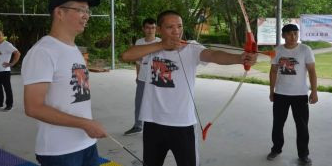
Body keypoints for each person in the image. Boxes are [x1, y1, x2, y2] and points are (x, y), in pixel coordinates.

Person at [121, 10, 257, 166]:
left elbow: (213, 55)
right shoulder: (152, 48)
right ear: (159, 30)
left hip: (182, 124)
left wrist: (239, 58)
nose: (176, 31)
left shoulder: (191, 48)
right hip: (153, 122)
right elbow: (126, 56)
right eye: (170, 27)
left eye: (179, 26)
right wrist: (161, 45)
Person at [21, 0, 107, 166]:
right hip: (59, 151)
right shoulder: (43, 52)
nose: (86, 16)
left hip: (86, 143)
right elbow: (33, 107)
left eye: (87, 11)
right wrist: (85, 124)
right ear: (59, 12)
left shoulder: (74, 49)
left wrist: (86, 126)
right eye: (81, 10)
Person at [267, 24, 318, 165]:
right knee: (277, 124)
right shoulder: (277, 51)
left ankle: (303, 154)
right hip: (281, 94)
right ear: (283, 35)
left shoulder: (305, 50)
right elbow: (272, 71)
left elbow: (312, 71)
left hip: (300, 95)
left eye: (295, 33)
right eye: (289, 34)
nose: (293, 37)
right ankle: (276, 149)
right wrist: (272, 91)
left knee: (302, 126)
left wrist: (314, 91)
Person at [124, 18, 161, 135]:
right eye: (148, 28)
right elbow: (138, 61)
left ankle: (158, 127)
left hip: (156, 79)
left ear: (156, 29)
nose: (150, 30)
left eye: (153, 28)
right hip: (142, 78)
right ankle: (138, 126)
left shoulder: (160, 42)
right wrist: (137, 75)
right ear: (143, 29)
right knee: (139, 103)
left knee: (156, 104)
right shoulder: (139, 42)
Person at [0, 28, 21, 111]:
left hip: (5, 71)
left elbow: (17, 53)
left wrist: (12, 64)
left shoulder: (7, 45)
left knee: (7, 88)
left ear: (3, 35)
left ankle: (9, 105)